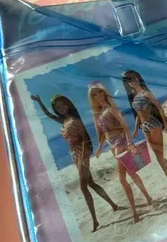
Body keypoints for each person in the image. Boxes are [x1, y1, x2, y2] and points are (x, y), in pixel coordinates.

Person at [31, 94, 118, 232]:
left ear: (69, 104)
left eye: (63, 105)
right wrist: (39, 101)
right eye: (58, 107)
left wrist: (84, 159)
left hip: (82, 154)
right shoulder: (64, 121)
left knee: (83, 187)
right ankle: (113, 205)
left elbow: (85, 140)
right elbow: (48, 114)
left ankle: (95, 221)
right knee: (91, 183)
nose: (61, 108)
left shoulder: (75, 120)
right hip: (74, 155)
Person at [88, 81, 154, 224]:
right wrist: (99, 147)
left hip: (121, 141)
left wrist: (129, 142)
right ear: (92, 98)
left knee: (122, 179)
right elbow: (102, 134)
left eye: (100, 92)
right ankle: (148, 197)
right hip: (111, 144)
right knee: (131, 172)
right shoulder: (97, 114)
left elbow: (125, 126)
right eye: (95, 94)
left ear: (104, 92)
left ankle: (134, 212)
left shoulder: (111, 109)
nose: (99, 95)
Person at [122, 70, 167, 199]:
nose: (133, 81)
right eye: (130, 80)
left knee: (160, 159)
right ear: (127, 83)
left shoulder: (146, 93)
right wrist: (136, 129)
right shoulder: (133, 96)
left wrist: (166, 124)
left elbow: (159, 108)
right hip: (145, 127)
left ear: (138, 78)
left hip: (154, 124)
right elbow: (138, 115)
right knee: (160, 158)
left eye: (134, 78)